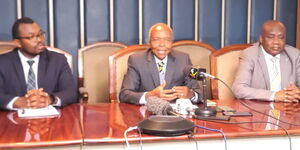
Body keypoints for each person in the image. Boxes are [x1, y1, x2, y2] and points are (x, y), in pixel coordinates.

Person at [0, 17, 77, 110]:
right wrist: (16, 102)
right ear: (18, 42)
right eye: (31, 37)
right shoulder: (3, 63)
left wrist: (50, 99)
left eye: (40, 34)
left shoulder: (58, 60)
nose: (39, 40)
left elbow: (71, 92)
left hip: (51, 119)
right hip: (13, 120)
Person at [119, 23, 202, 105]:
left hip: (176, 115)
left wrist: (191, 94)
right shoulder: (136, 60)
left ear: (172, 42)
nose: (162, 44)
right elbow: (124, 94)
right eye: (156, 39)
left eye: (167, 40)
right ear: (149, 42)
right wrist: (149, 96)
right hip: (146, 113)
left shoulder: (184, 59)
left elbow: (199, 93)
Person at [232, 20, 300, 102]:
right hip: (259, 108)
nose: (276, 42)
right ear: (261, 38)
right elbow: (238, 89)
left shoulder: (294, 55)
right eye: (271, 37)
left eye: (281, 37)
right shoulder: (250, 54)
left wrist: (297, 93)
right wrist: (274, 95)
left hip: (288, 110)